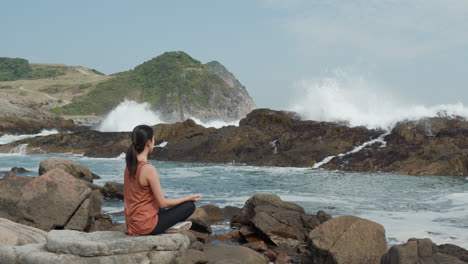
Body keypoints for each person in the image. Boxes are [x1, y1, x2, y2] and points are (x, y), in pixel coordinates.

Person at [124, 124, 201, 236]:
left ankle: (167, 225)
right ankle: (169, 227)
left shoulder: (129, 166)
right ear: (149, 143)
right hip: (145, 226)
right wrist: (187, 198)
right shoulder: (148, 169)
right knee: (189, 206)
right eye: (154, 139)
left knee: (158, 208)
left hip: (132, 224)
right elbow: (163, 203)